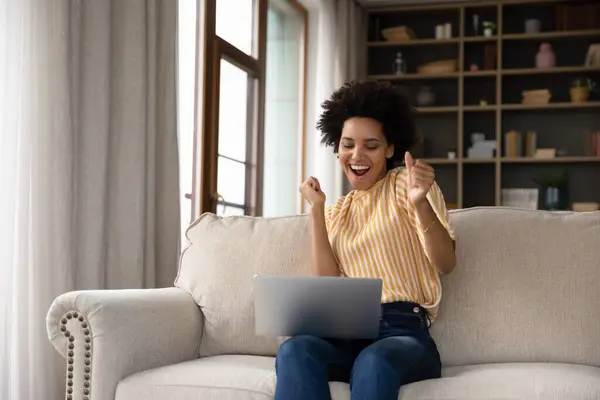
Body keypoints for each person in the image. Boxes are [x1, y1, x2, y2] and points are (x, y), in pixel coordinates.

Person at [274, 80, 457, 400]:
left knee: (373, 361)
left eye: (370, 145)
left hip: (402, 332)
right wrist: (317, 210)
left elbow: (446, 262)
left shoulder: (406, 185)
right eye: (348, 144)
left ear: (389, 149)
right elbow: (327, 283)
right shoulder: (337, 211)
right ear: (337, 148)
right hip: (345, 332)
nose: (357, 155)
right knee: (295, 350)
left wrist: (420, 203)